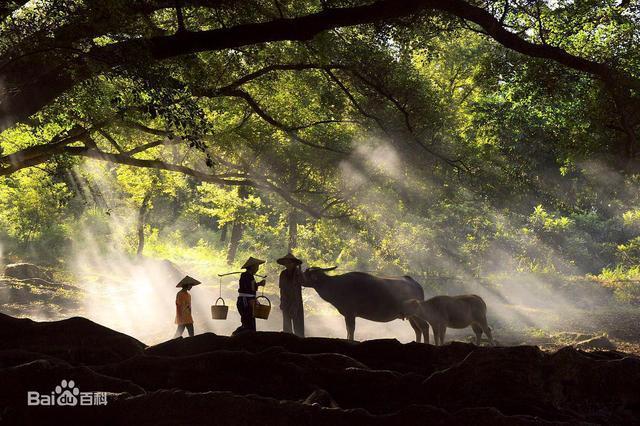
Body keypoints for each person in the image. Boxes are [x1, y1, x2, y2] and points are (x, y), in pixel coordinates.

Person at [233, 256, 266, 334]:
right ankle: (237, 336)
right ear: (252, 267)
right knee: (248, 323)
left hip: (245, 301)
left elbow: (250, 288)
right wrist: (260, 284)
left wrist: (258, 284)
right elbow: (252, 288)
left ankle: (239, 336)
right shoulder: (248, 276)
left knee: (248, 322)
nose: (257, 269)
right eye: (257, 267)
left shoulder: (246, 275)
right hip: (246, 301)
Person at [277, 253, 305, 337]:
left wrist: (300, 274)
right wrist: (282, 302)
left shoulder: (298, 273)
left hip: (297, 302)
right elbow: (282, 289)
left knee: (298, 326)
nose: (287, 264)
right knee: (287, 327)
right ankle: (287, 344)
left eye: (289, 262)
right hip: (286, 301)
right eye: (286, 263)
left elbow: (304, 282)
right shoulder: (283, 274)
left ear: (294, 263)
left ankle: (299, 345)